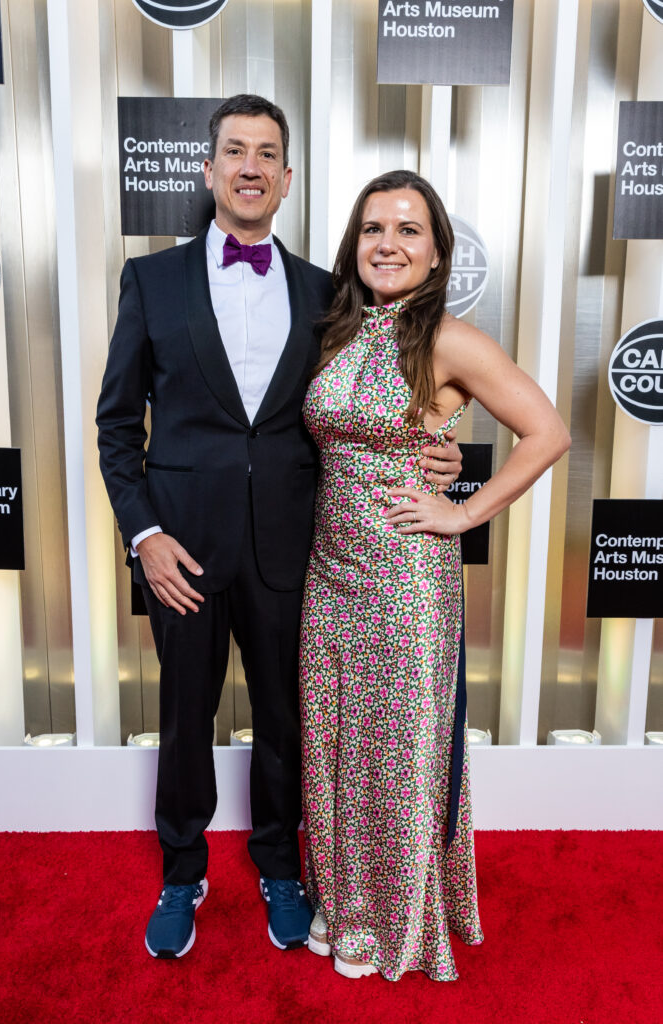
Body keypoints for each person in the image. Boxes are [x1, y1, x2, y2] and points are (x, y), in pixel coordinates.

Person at [97, 98, 463, 960]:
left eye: (268, 153)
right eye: (234, 150)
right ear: (209, 168)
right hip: (181, 551)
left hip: (300, 550)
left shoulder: (327, 294)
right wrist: (145, 535)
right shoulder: (150, 281)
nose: (250, 166)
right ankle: (181, 872)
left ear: (287, 178)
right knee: (185, 719)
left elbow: (387, 398)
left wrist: (443, 460)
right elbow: (118, 427)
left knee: (286, 720)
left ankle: (280, 870)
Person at [300, 169, 571, 981]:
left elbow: (546, 432)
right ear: (354, 244)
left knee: (397, 753)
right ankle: (342, 902)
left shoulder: (450, 338)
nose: (387, 244)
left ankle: (395, 922)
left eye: (408, 230)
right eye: (373, 228)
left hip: (404, 580)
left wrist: (460, 509)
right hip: (329, 572)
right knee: (336, 741)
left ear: (437, 252)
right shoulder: (339, 330)